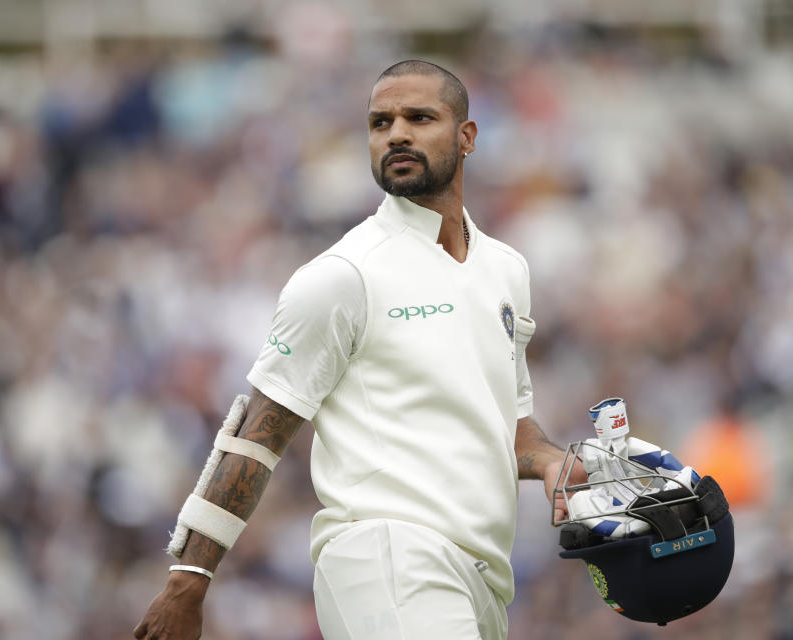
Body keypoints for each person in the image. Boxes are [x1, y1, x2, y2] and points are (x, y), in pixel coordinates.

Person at [134, 59, 587, 640]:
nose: (396, 133)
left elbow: (509, 423)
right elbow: (254, 438)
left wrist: (550, 462)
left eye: (419, 117)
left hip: (483, 577)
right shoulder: (343, 275)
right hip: (385, 556)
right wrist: (188, 579)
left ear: (468, 137)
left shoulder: (506, 269)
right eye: (380, 123)